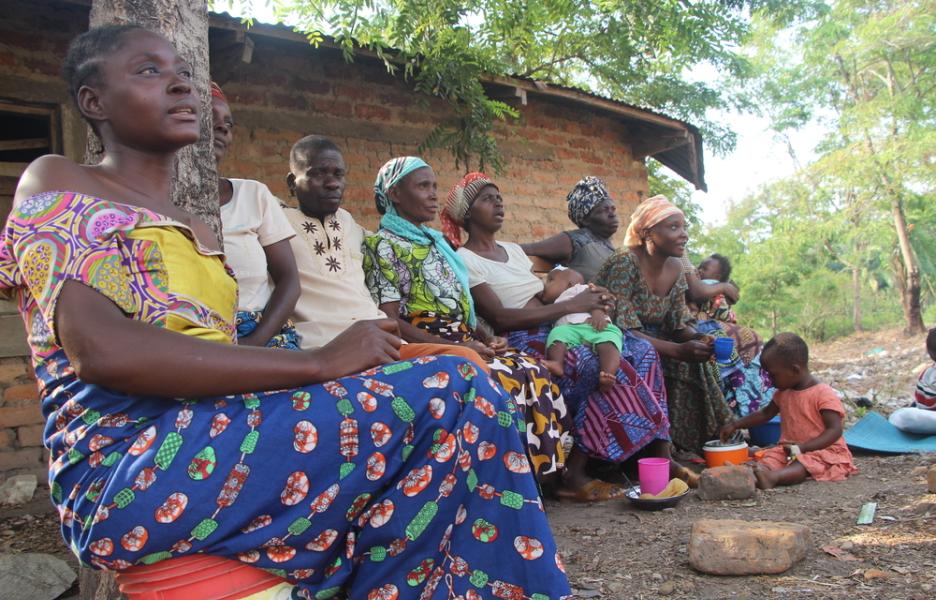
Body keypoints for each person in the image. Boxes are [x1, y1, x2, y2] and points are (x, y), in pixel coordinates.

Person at [0, 26, 571, 598]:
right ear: (93, 102)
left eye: (182, 72)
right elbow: (102, 351)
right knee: (453, 386)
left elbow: (214, 361)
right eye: (148, 71)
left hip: (211, 433)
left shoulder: (197, 229)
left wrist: (345, 362)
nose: (179, 84)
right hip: (127, 465)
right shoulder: (59, 177)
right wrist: (320, 363)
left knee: (465, 382)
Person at [445, 173, 694, 500]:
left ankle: (658, 454)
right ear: (466, 215)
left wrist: (587, 298)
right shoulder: (465, 259)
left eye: (499, 196)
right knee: (592, 366)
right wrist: (575, 304)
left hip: (557, 325)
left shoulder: (513, 251)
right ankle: (575, 473)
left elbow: (548, 293)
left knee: (640, 350)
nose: (499, 203)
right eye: (487, 199)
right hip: (524, 337)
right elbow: (499, 316)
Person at [362, 157, 575, 485]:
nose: (433, 194)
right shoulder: (382, 247)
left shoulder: (435, 244)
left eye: (434, 186)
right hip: (423, 340)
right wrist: (453, 345)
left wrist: (485, 338)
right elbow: (392, 321)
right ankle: (499, 482)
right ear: (395, 194)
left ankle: (540, 479)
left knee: (533, 369)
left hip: (462, 337)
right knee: (504, 378)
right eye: (423, 186)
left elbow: (461, 307)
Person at [281, 135, 488, 371]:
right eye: (318, 173)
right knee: (465, 367)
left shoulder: (350, 224)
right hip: (323, 346)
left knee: (470, 364)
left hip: (382, 340)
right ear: (291, 183)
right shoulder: (276, 224)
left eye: (338, 175)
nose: (332, 183)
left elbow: (398, 239)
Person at [593, 194, 733, 454]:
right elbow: (623, 329)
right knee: (656, 357)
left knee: (699, 360)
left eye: (684, 227)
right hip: (610, 339)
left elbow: (677, 324)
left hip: (652, 339)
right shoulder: (625, 262)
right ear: (648, 233)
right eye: (673, 227)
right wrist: (678, 350)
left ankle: (692, 441)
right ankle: (649, 450)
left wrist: (698, 339)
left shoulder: (676, 267)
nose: (684, 235)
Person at [211, 82, 301, 349]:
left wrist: (254, 344)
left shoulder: (252, 194)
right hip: (196, 339)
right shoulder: (152, 204)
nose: (222, 128)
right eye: (209, 117)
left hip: (259, 332)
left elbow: (289, 281)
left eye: (228, 123)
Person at [720, 333, 858, 489]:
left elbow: (835, 430)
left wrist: (804, 448)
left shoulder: (823, 394)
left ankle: (774, 478)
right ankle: (753, 475)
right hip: (790, 449)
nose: (770, 381)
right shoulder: (783, 393)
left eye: (773, 375)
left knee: (803, 464)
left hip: (824, 450)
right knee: (769, 459)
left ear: (794, 370)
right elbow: (765, 414)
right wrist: (736, 424)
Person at [539, 267, 624, 393]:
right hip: (569, 330)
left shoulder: (580, 289)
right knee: (556, 335)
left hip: (595, 326)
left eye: (551, 280)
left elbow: (597, 299)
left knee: (611, 340)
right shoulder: (554, 303)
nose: (545, 285)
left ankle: (608, 373)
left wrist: (597, 312)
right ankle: (557, 362)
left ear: (569, 284)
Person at [520, 176, 619, 282]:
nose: (612, 215)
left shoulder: (610, 248)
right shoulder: (575, 240)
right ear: (585, 220)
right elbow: (528, 249)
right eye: (604, 210)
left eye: (613, 209)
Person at [889, 328, 936, 434]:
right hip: (930, 419)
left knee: (901, 416)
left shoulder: (926, 373)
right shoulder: (928, 374)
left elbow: (919, 404)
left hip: (926, 421)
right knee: (906, 416)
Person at [689, 254, 736, 324]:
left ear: (717, 277)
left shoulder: (709, 285)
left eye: (704, 269)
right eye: (699, 267)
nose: (700, 270)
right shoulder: (697, 281)